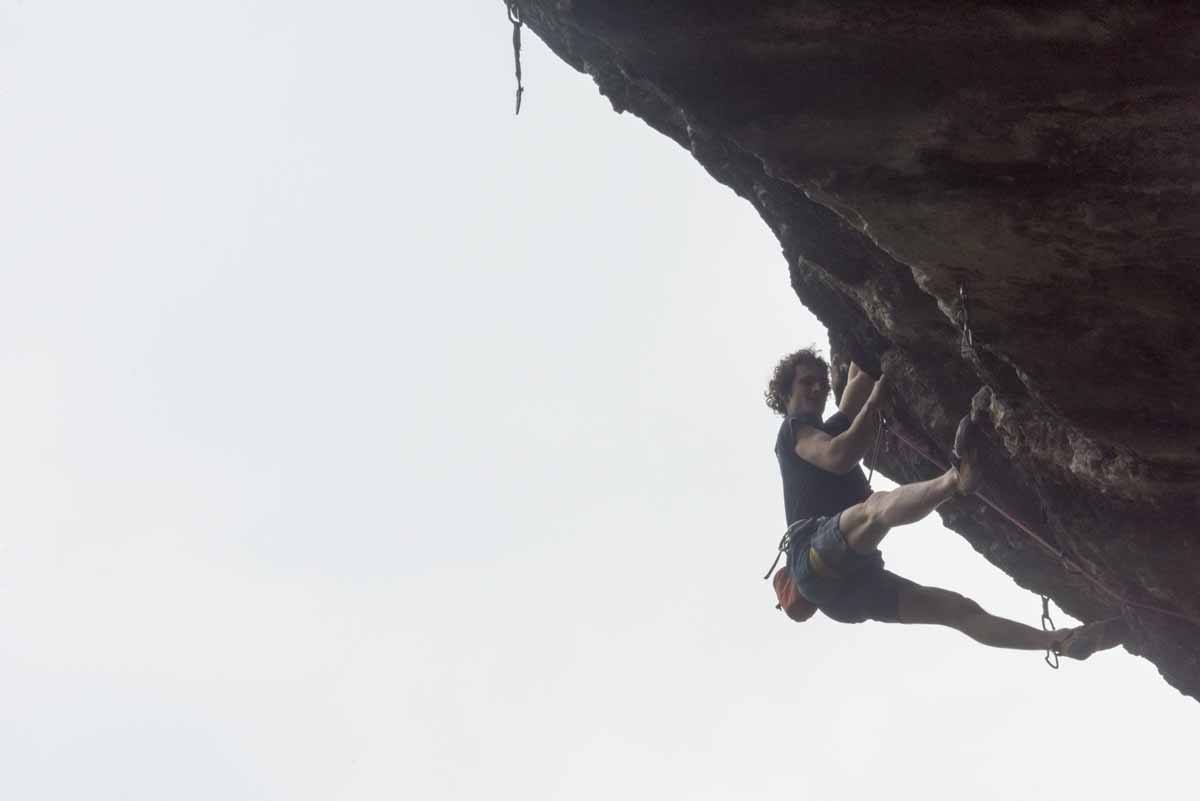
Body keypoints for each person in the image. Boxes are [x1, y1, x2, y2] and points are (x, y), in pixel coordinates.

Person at [766, 347, 1126, 660]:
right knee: (875, 508)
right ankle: (956, 478)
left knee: (957, 610)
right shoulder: (794, 431)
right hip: (811, 560)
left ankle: (1059, 641)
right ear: (786, 393)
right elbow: (839, 455)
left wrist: (865, 370)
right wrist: (876, 401)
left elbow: (855, 391)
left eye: (820, 382)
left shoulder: (829, 426)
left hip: (848, 588)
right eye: (805, 382)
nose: (816, 388)